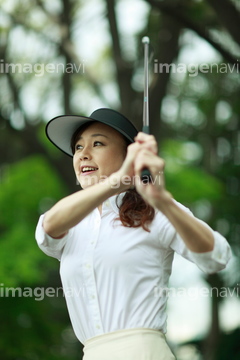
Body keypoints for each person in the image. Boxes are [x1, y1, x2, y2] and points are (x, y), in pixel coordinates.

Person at [35, 108, 231, 360]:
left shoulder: (156, 210)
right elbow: (47, 228)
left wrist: (164, 202)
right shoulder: (70, 220)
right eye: (78, 148)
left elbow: (216, 257)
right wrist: (117, 180)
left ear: (129, 155)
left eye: (97, 143)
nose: (83, 154)